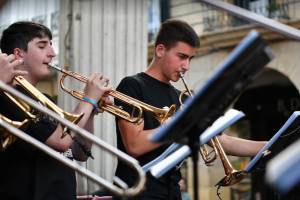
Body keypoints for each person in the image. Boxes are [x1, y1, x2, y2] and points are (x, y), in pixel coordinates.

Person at [114, 19, 266, 199]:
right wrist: (176, 125)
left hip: (172, 190)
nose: (187, 66)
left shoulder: (183, 98)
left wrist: (271, 145)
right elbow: (134, 145)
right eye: (182, 56)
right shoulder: (132, 86)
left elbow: (222, 141)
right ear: (160, 50)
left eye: (190, 58)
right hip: (138, 190)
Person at [0, 21, 111, 200]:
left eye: (51, 45)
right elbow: (61, 141)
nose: (52, 53)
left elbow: (79, 152)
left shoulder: (44, 99)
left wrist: (91, 110)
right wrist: (88, 100)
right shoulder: (11, 97)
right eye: (42, 46)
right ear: (18, 54)